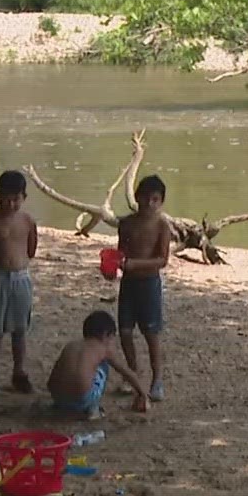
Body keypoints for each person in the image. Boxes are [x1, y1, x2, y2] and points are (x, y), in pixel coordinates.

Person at [0, 170, 38, 395]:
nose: (11, 204)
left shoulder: (27, 220)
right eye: (6, 199)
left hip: (20, 276)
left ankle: (19, 373)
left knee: (19, 329)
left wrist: (21, 261)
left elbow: (32, 246)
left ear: (24, 198)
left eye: (16, 199)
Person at [117, 174, 174, 402]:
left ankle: (157, 379)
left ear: (161, 202)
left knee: (151, 333)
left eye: (155, 199)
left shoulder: (162, 226)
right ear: (137, 198)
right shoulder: (127, 223)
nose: (149, 204)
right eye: (145, 198)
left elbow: (162, 260)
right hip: (128, 283)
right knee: (125, 331)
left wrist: (135, 264)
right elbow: (121, 252)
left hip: (149, 283)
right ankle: (132, 374)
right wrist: (113, 266)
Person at [47, 310, 150, 419]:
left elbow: (52, 379)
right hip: (82, 401)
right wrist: (143, 394)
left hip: (57, 398)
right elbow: (127, 373)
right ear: (106, 335)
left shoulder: (71, 345)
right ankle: (92, 407)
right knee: (103, 365)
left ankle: (67, 406)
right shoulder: (103, 349)